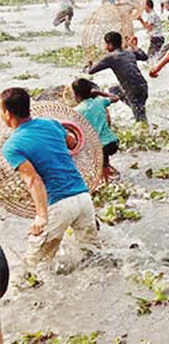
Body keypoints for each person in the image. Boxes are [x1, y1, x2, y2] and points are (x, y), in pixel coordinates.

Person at [0, 87, 99, 274]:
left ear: (7, 113)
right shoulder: (51, 124)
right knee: (93, 254)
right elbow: (72, 142)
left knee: (34, 266)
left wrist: (41, 217)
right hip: (83, 196)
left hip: (59, 204)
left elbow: (33, 180)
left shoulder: (12, 146)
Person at [87, 32, 148, 123]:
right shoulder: (129, 52)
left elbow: (91, 71)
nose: (105, 47)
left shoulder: (111, 58)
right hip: (143, 86)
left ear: (110, 44)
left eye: (106, 44)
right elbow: (144, 56)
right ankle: (135, 109)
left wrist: (89, 64)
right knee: (114, 90)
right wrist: (133, 46)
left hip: (132, 89)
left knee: (141, 120)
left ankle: (145, 128)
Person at [71, 78, 120, 184]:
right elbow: (116, 97)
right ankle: (108, 175)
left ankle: (105, 180)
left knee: (94, 161)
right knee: (103, 161)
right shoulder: (99, 102)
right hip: (112, 142)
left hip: (96, 147)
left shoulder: (76, 111)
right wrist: (99, 92)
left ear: (77, 95)